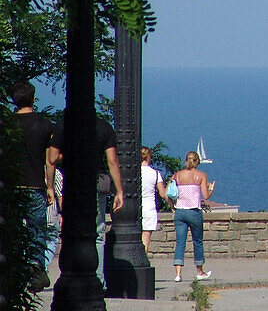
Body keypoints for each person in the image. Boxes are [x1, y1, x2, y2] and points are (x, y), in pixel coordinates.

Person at [47, 115, 124, 288]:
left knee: (71, 230)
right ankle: (98, 281)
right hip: (96, 182)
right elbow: (112, 161)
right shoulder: (104, 127)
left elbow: (51, 159)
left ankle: (70, 276)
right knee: (97, 233)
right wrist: (119, 190)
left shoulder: (63, 126)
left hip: (72, 183)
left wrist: (50, 186)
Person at [8, 81, 54, 291]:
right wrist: (50, 186)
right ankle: (36, 269)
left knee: (13, 230)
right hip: (35, 185)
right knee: (37, 231)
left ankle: (14, 270)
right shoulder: (43, 125)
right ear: (33, 99)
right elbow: (50, 160)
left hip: (12, 186)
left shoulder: (7, 124)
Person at [171, 150, 215, 282]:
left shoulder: (177, 175)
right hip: (194, 212)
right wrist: (211, 188)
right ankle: (199, 271)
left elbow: (168, 192)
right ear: (196, 162)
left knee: (180, 243)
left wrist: (172, 206)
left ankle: (178, 274)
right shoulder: (200, 175)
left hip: (179, 212)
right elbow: (205, 196)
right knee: (197, 241)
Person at [140, 146, 170, 253]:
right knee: (146, 239)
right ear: (149, 157)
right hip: (149, 208)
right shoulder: (155, 173)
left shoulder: (134, 172)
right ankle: (143, 259)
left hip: (135, 208)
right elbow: (163, 194)